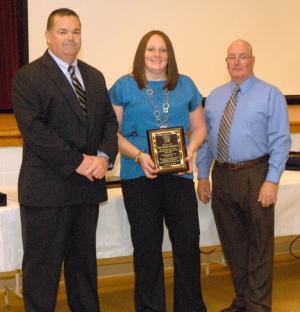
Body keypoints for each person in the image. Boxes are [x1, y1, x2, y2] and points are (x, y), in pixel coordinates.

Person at [12, 8, 118, 312]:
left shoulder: (94, 76)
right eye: (63, 31)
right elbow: (34, 130)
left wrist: (103, 157)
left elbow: (109, 124)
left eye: (76, 31)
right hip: (48, 193)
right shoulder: (28, 77)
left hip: (86, 192)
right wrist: (78, 162)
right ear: (47, 36)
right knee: (42, 275)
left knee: (84, 272)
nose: (71, 38)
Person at [109, 30, 207, 312]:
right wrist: (139, 156)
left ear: (170, 55)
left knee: (188, 245)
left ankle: (190, 307)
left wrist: (192, 150)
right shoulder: (124, 86)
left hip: (179, 176)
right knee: (147, 249)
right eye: (151, 49)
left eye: (162, 50)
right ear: (141, 53)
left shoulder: (186, 85)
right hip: (139, 177)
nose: (157, 55)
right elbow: (111, 133)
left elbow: (199, 128)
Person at [196, 39, 291, 312]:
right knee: (233, 243)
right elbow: (205, 141)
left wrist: (271, 180)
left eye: (242, 57)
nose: (237, 62)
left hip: (256, 174)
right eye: (231, 58)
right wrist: (203, 175)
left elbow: (281, 141)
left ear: (252, 60)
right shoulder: (214, 96)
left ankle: (258, 305)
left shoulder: (271, 95)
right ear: (226, 62)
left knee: (259, 244)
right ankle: (242, 300)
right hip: (222, 175)